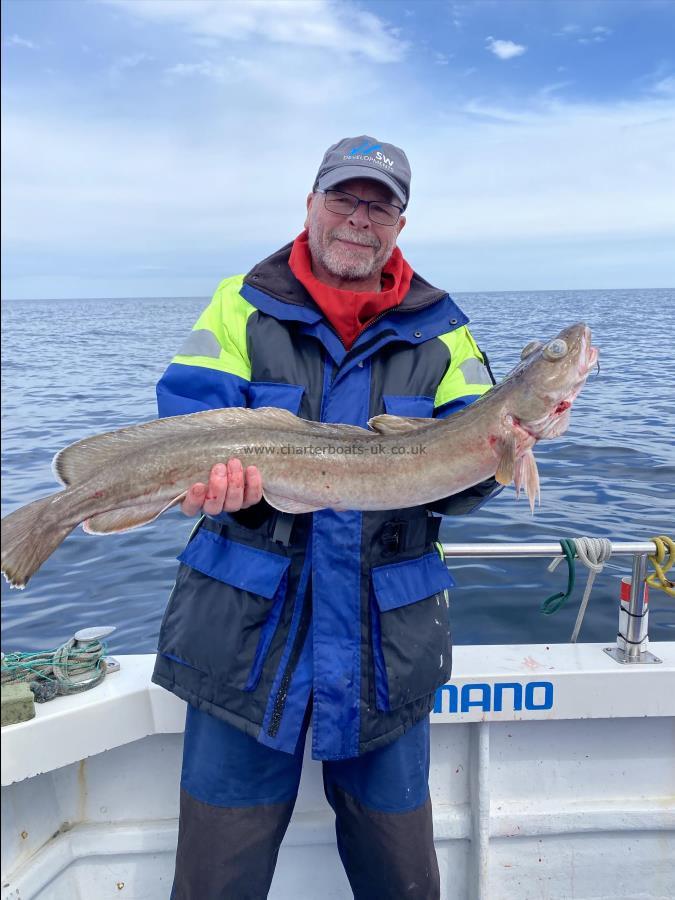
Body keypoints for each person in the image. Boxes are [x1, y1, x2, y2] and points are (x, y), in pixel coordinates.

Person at [153, 136, 501, 899]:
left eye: (379, 207)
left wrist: (503, 450)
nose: (357, 219)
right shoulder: (240, 304)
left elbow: (465, 480)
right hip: (243, 630)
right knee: (215, 878)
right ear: (309, 204)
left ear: (399, 226)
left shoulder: (444, 329)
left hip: (386, 640)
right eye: (343, 198)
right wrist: (216, 482)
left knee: (402, 878)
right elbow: (187, 416)